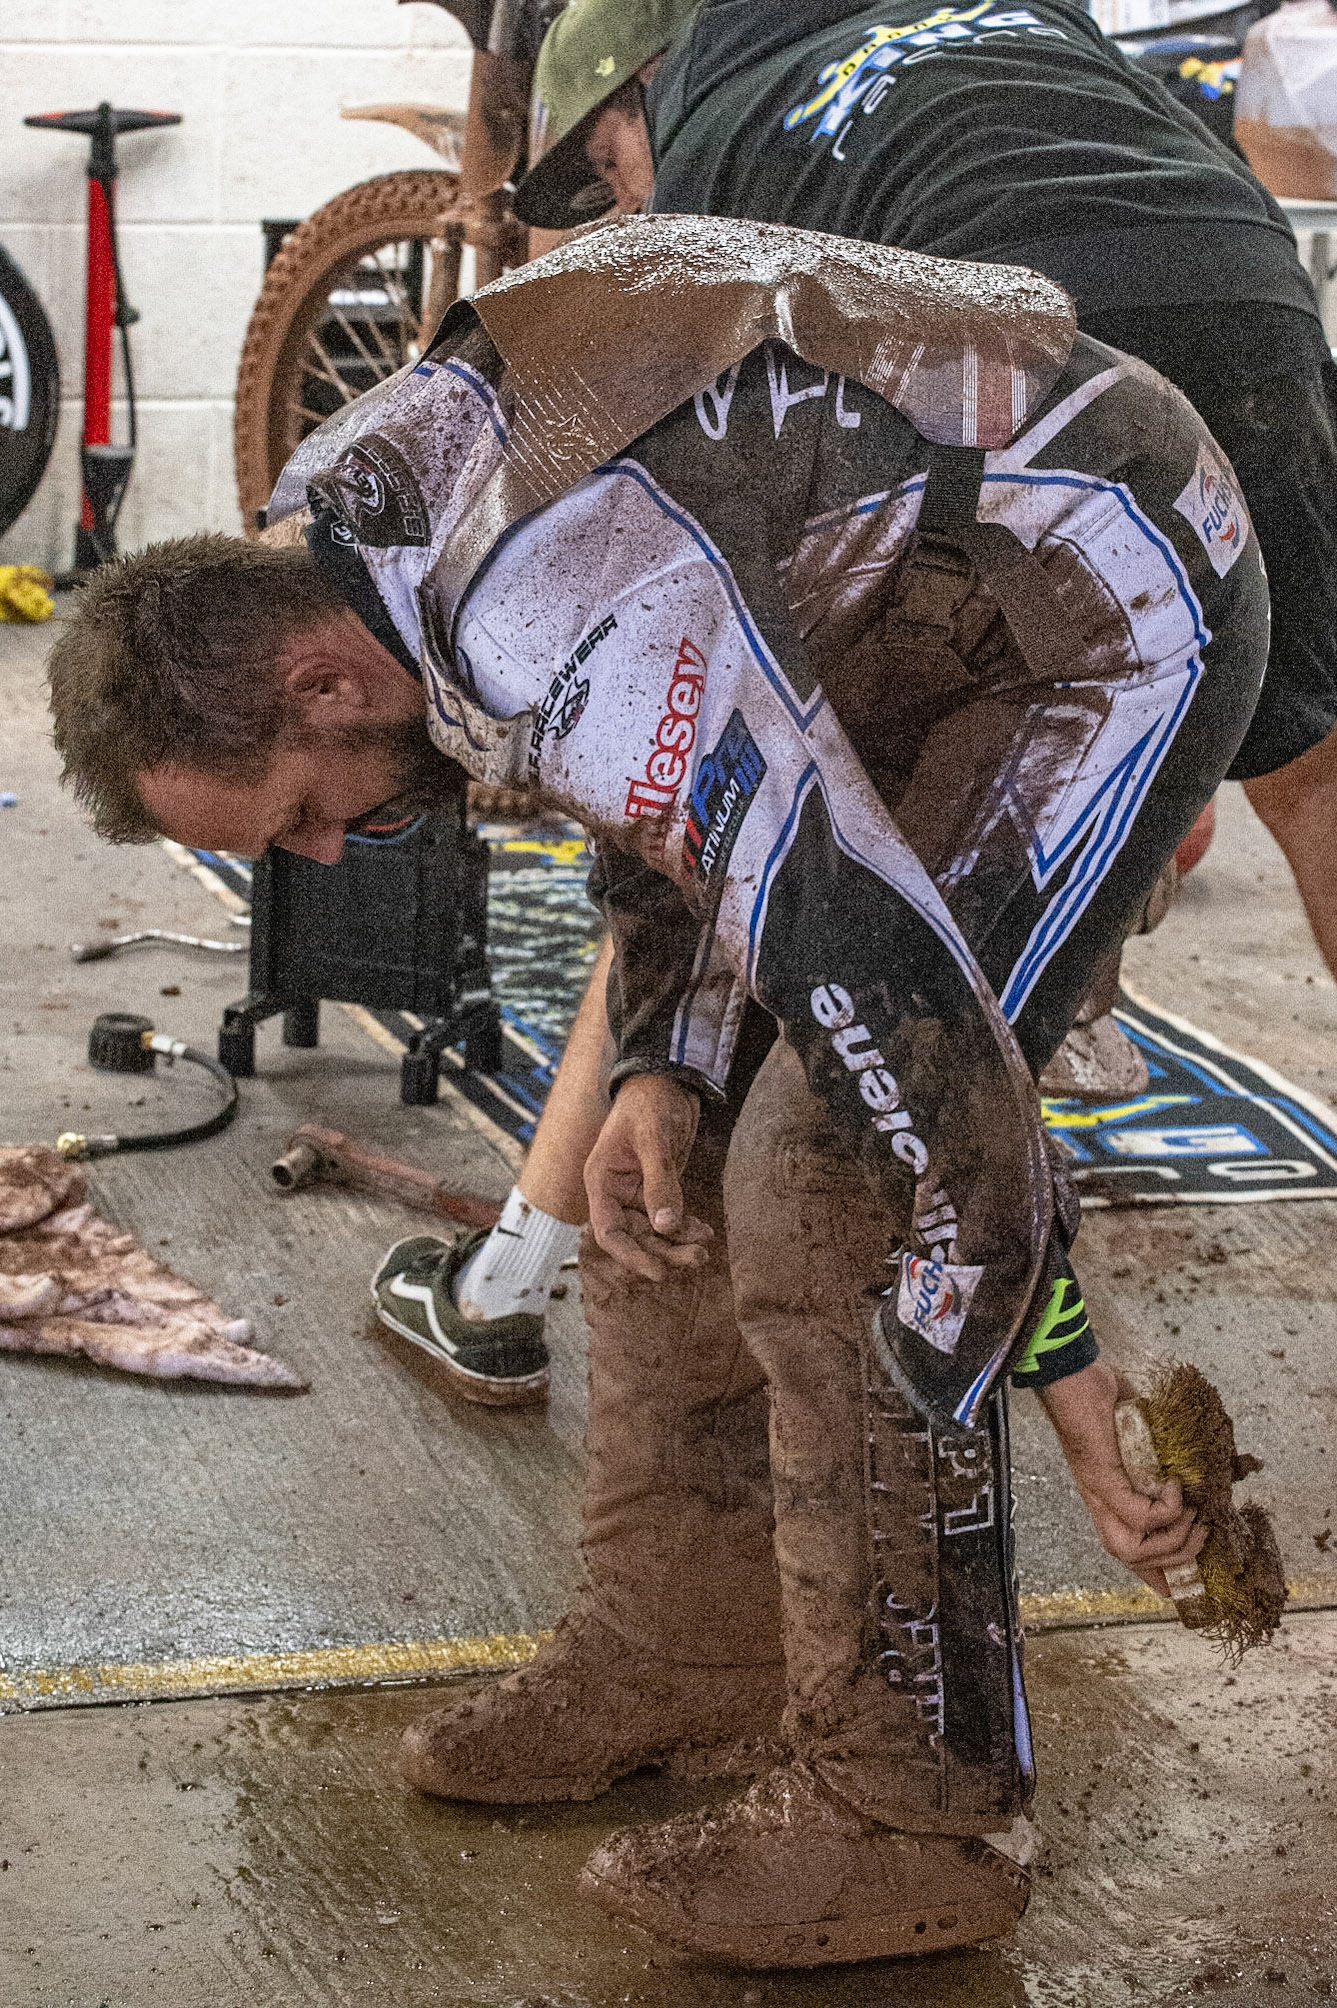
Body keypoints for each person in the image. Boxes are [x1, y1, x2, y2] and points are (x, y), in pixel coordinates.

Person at [48, 217, 1261, 1966]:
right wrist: (657, 1068)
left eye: (305, 813)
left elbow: (912, 1052)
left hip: (1091, 611)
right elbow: (640, 788)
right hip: (857, 615)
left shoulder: (555, 607)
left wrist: (1063, 1369)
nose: (331, 852)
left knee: (832, 1166)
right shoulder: (352, 530)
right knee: (659, 1159)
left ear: (316, 679)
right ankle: (683, 1647)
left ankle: (918, 1810)